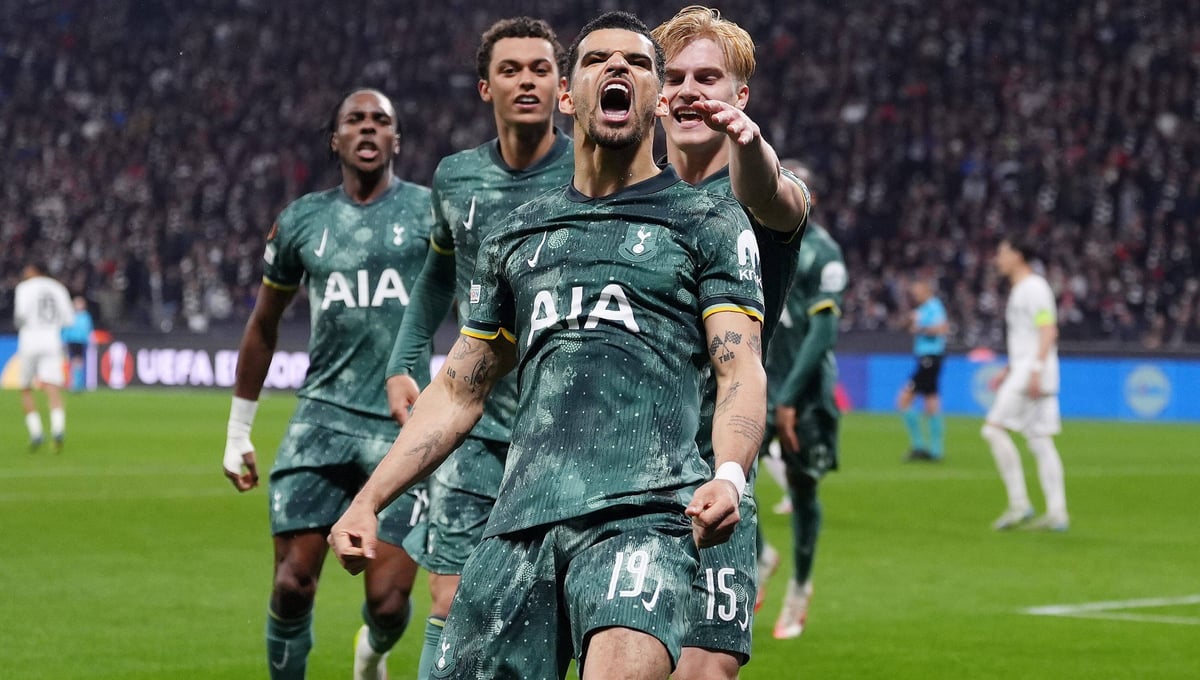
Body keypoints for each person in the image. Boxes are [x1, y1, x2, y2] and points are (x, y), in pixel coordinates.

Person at [329, 12, 767, 680]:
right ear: (568, 95)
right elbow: (459, 390)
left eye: (637, 63)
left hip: (645, 519)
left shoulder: (708, 219)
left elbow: (739, 369)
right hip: (518, 524)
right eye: (596, 60)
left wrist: (730, 473)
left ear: (658, 100)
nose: (617, 68)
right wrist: (369, 499)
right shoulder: (517, 233)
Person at [381, 16, 573, 680]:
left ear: (563, 86)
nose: (527, 81)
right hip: (475, 425)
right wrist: (404, 361)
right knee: (451, 597)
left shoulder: (594, 170)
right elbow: (439, 273)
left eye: (541, 69)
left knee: (551, 612)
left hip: (566, 431)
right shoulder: (456, 177)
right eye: (511, 70)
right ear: (485, 87)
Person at [221, 88, 434, 680]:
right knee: (291, 584)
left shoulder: (431, 214)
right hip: (319, 422)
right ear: (335, 139)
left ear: (396, 140)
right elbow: (264, 325)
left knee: (387, 603)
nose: (367, 128)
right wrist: (238, 431)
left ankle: (373, 652)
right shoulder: (302, 221)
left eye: (380, 120)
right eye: (354, 120)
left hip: (400, 430)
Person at [651, 6, 811, 676]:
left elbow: (770, 193)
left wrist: (748, 144)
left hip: (715, 470)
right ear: (656, 94)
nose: (690, 89)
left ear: (739, 95)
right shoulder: (623, 198)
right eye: (675, 77)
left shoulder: (763, 193)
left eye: (708, 77)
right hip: (619, 475)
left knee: (706, 667)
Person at [765, 160, 847, 640]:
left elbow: (823, 333)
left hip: (806, 395)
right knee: (722, 471)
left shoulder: (824, 254)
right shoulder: (752, 239)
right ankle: (759, 556)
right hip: (757, 383)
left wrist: (790, 398)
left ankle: (800, 584)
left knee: (802, 489)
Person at [982, 235, 1069, 531]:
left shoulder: (1034, 288)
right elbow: (1029, 336)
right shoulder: (1023, 289)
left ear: (1018, 255)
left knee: (993, 430)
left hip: (1032, 370)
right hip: (1026, 368)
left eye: (1002, 253)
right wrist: (1008, 368)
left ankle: (1019, 505)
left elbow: (1048, 330)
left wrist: (1035, 369)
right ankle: (1057, 513)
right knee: (1039, 439)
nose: (998, 259)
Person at [14, 263, 75, 451]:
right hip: (52, 340)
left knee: (25, 388)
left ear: (34, 270)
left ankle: (36, 432)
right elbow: (69, 319)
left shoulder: (24, 287)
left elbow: (20, 315)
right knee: (53, 387)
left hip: (30, 339)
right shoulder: (59, 288)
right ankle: (58, 429)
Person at [897, 278, 948, 462]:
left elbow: (942, 328)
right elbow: (905, 326)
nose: (915, 295)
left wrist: (921, 328)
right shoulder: (922, 309)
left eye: (918, 292)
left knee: (904, 399)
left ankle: (919, 446)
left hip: (930, 359)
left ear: (927, 290)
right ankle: (935, 451)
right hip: (928, 359)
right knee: (931, 401)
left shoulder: (934, 306)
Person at [61, 295, 94, 392]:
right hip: (72, 341)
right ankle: (73, 382)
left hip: (81, 342)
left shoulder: (86, 316)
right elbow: (66, 329)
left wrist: (90, 340)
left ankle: (78, 383)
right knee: (72, 361)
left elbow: (89, 329)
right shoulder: (70, 315)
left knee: (79, 361)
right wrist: (63, 340)